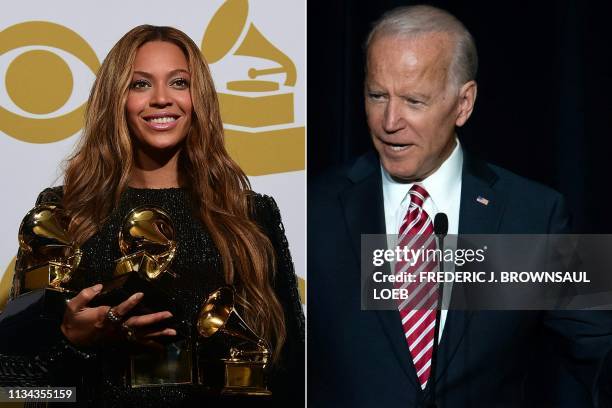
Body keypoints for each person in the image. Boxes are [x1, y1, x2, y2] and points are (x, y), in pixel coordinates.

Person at [308, 5, 612, 407]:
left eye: (415, 101)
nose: (390, 120)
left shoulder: (533, 215)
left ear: (464, 103)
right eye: (377, 95)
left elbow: (601, 348)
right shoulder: (314, 209)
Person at [0, 25, 304, 407]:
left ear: (200, 98)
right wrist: (73, 342)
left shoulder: (250, 214)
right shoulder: (63, 212)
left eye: (179, 82)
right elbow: (14, 384)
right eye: (140, 84)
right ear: (116, 99)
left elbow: (292, 371)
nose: (162, 99)